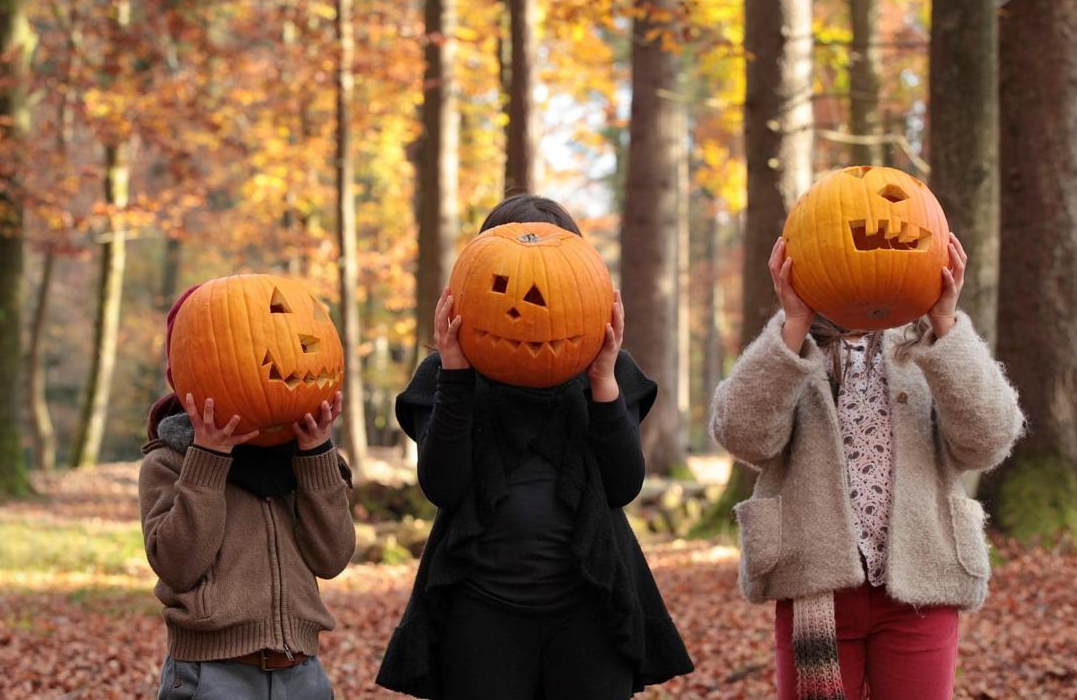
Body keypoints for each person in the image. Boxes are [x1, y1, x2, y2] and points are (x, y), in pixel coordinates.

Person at [376, 194, 693, 699]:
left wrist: (604, 383)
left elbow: (622, 485)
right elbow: (443, 486)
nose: (532, 306)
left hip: (590, 606)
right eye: (503, 280)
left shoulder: (611, 376)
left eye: (555, 280)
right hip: (478, 611)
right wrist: (456, 377)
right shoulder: (443, 377)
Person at [711, 234, 1024, 700]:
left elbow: (989, 440)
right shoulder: (795, 344)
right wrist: (793, 324)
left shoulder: (931, 342)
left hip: (922, 585)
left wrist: (945, 326)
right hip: (815, 586)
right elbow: (744, 435)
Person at [140, 290, 356, 700]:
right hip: (212, 676)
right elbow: (178, 565)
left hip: (303, 673)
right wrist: (207, 459)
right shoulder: (168, 462)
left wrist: (316, 456)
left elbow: (332, 557)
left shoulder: (305, 460)